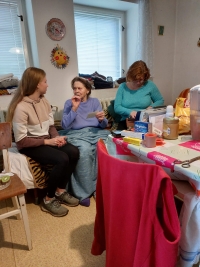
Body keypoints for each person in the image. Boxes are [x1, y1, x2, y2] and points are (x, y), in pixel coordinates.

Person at [6, 67, 80, 217]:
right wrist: (48, 142)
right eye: (45, 81)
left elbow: (51, 126)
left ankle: (60, 190)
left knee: (73, 151)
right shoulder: (21, 108)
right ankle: (48, 199)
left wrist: (56, 138)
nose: (47, 84)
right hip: (29, 145)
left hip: (46, 140)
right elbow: (21, 141)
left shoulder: (44, 101)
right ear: (36, 84)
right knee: (61, 158)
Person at [60, 76, 110, 207]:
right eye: (74, 88)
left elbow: (104, 125)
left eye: (79, 88)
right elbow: (64, 125)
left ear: (87, 90)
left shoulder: (94, 102)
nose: (76, 91)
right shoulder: (69, 103)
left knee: (106, 147)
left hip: (95, 132)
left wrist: (101, 120)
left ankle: (100, 187)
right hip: (76, 134)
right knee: (85, 150)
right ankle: (84, 192)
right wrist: (74, 108)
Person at [114, 60, 164, 129]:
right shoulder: (122, 87)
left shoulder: (150, 85)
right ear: (130, 76)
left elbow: (160, 100)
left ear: (145, 77)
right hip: (126, 121)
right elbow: (117, 107)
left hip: (144, 121)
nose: (138, 82)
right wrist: (130, 112)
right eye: (135, 80)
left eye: (141, 80)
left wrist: (151, 107)